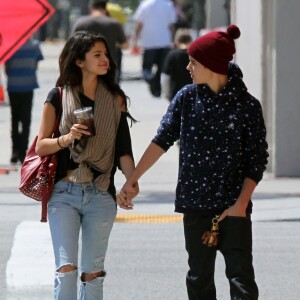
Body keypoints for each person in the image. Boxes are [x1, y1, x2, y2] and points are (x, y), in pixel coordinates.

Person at [118, 25, 269, 300]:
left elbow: (257, 160)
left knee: (241, 280)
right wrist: (132, 179)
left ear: (211, 65)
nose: (188, 67)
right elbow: (161, 140)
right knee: (198, 280)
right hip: (195, 206)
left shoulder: (247, 105)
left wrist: (241, 204)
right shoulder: (187, 97)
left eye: (194, 62)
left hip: (234, 207)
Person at [35, 31, 137, 300]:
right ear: (79, 61)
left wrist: (131, 181)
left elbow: (123, 149)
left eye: (106, 55)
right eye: (97, 55)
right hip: (64, 193)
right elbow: (40, 146)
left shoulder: (115, 99)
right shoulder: (57, 96)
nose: (105, 59)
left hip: (101, 193)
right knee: (66, 269)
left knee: (93, 274)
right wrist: (67, 138)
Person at [5, 38, 44, 164]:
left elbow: (7, 68)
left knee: (15, 119)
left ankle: (14, 152)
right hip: (28, 85)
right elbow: (36, 65)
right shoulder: (35, 45)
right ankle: (23, 152)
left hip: (13, 86)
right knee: (26, 120)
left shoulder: (12, 44)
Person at [72, 0, 128, 82]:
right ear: (106, 9)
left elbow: (71, 45)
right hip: (108, 67)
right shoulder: (114, 23)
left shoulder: (81, 23)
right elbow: (125, 45)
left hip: (86, 67)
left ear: (91, 8)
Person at [132, 0, 177, 97]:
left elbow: (139, 23)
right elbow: (172, 25)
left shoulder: (145, 4)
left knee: (146, 68)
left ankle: (151, 82)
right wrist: (174, 39)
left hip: (149, 42)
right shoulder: (168, 5)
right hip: (165, 41)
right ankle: (157, 88)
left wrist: (135, 38)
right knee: (162, 67)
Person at [161, 28, 193, 102]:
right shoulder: (194, 54)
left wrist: (166, 93)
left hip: (175, 94)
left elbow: (165, 77)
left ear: (176, 41)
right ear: (191, 41)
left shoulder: (172, 55)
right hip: (193, 93)